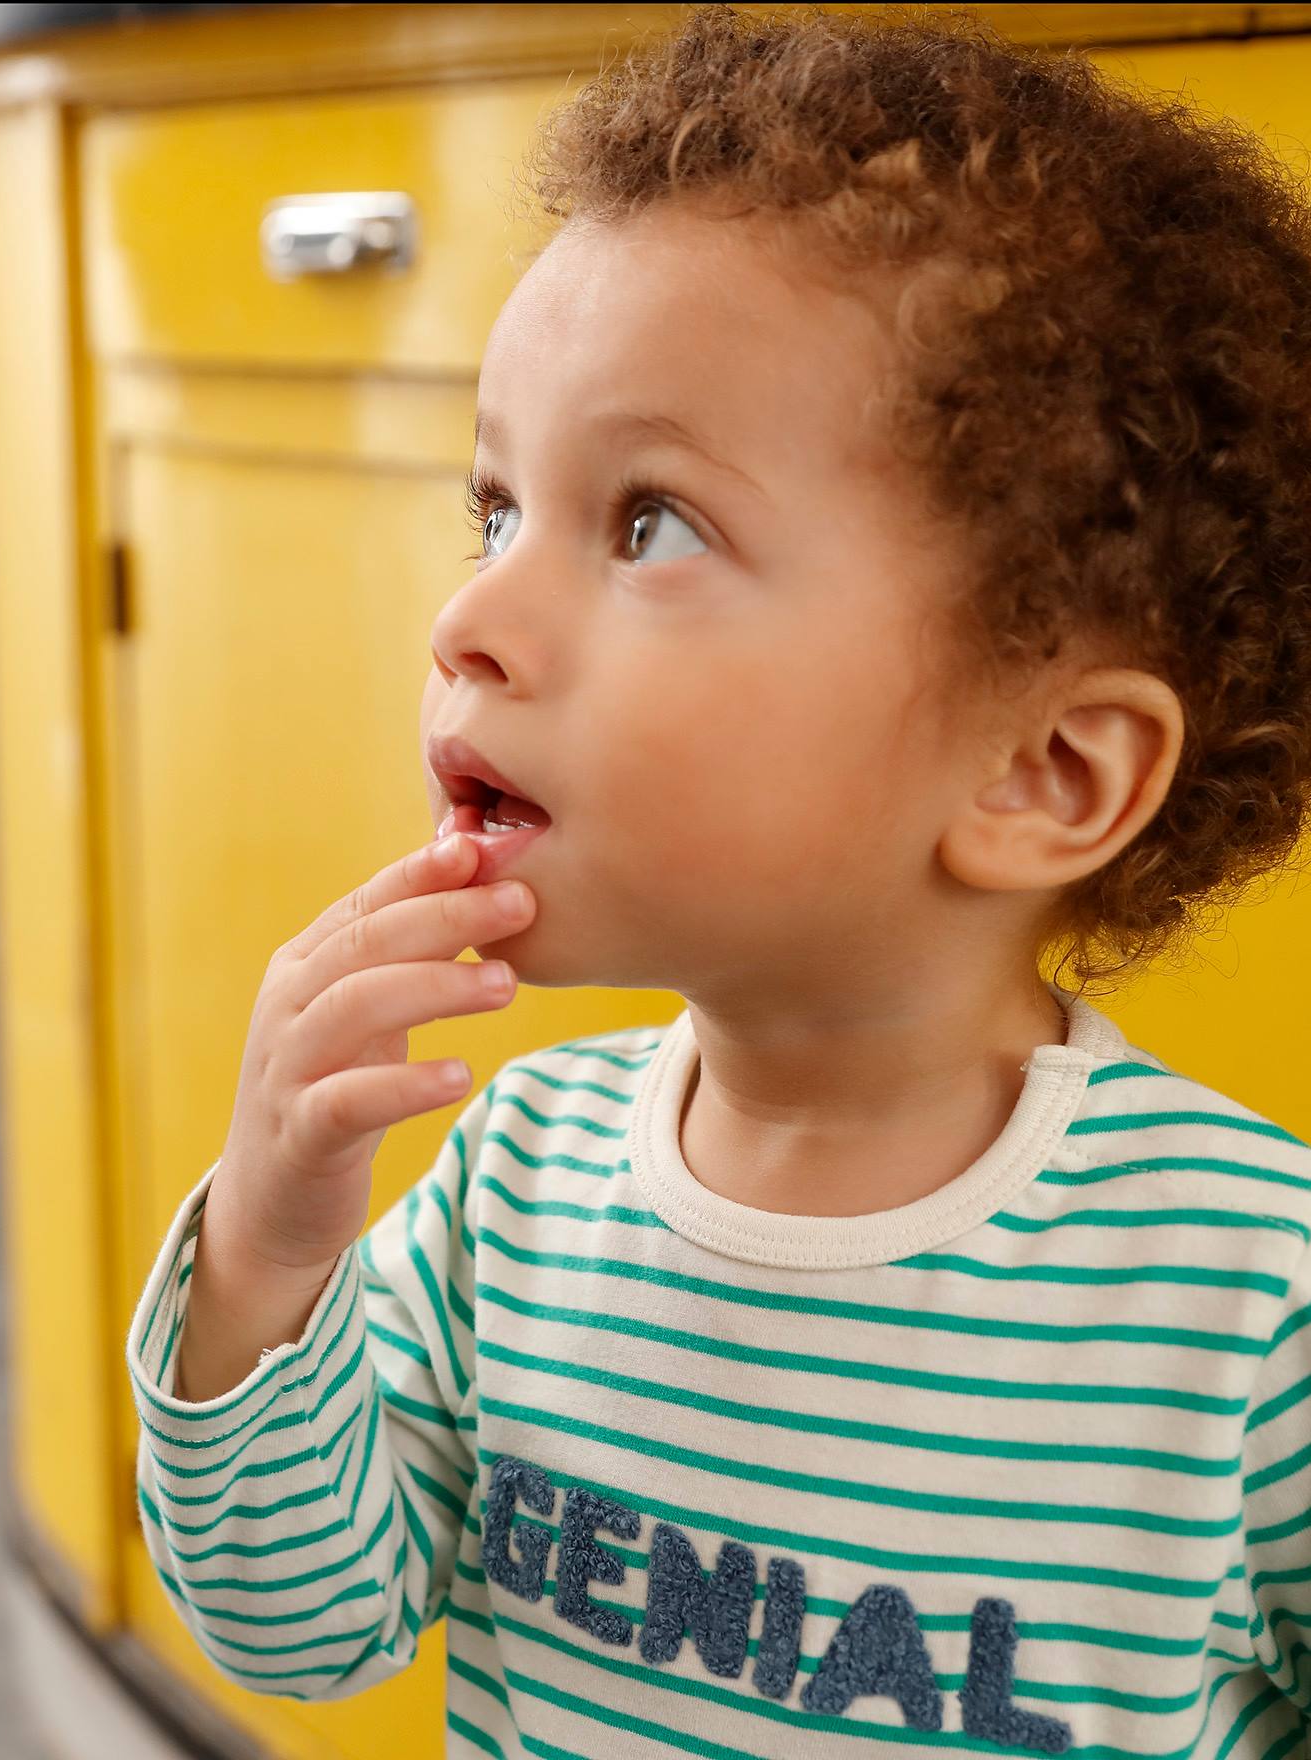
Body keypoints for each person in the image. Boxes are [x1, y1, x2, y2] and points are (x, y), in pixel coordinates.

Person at [125, 5, 1311, 1754]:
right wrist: (265, 1259)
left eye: (649, 523)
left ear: (1038, 773)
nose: (467, 622)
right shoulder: (513, 1187)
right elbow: (299, 1627)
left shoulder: (1243, 1302)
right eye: (495, 510)